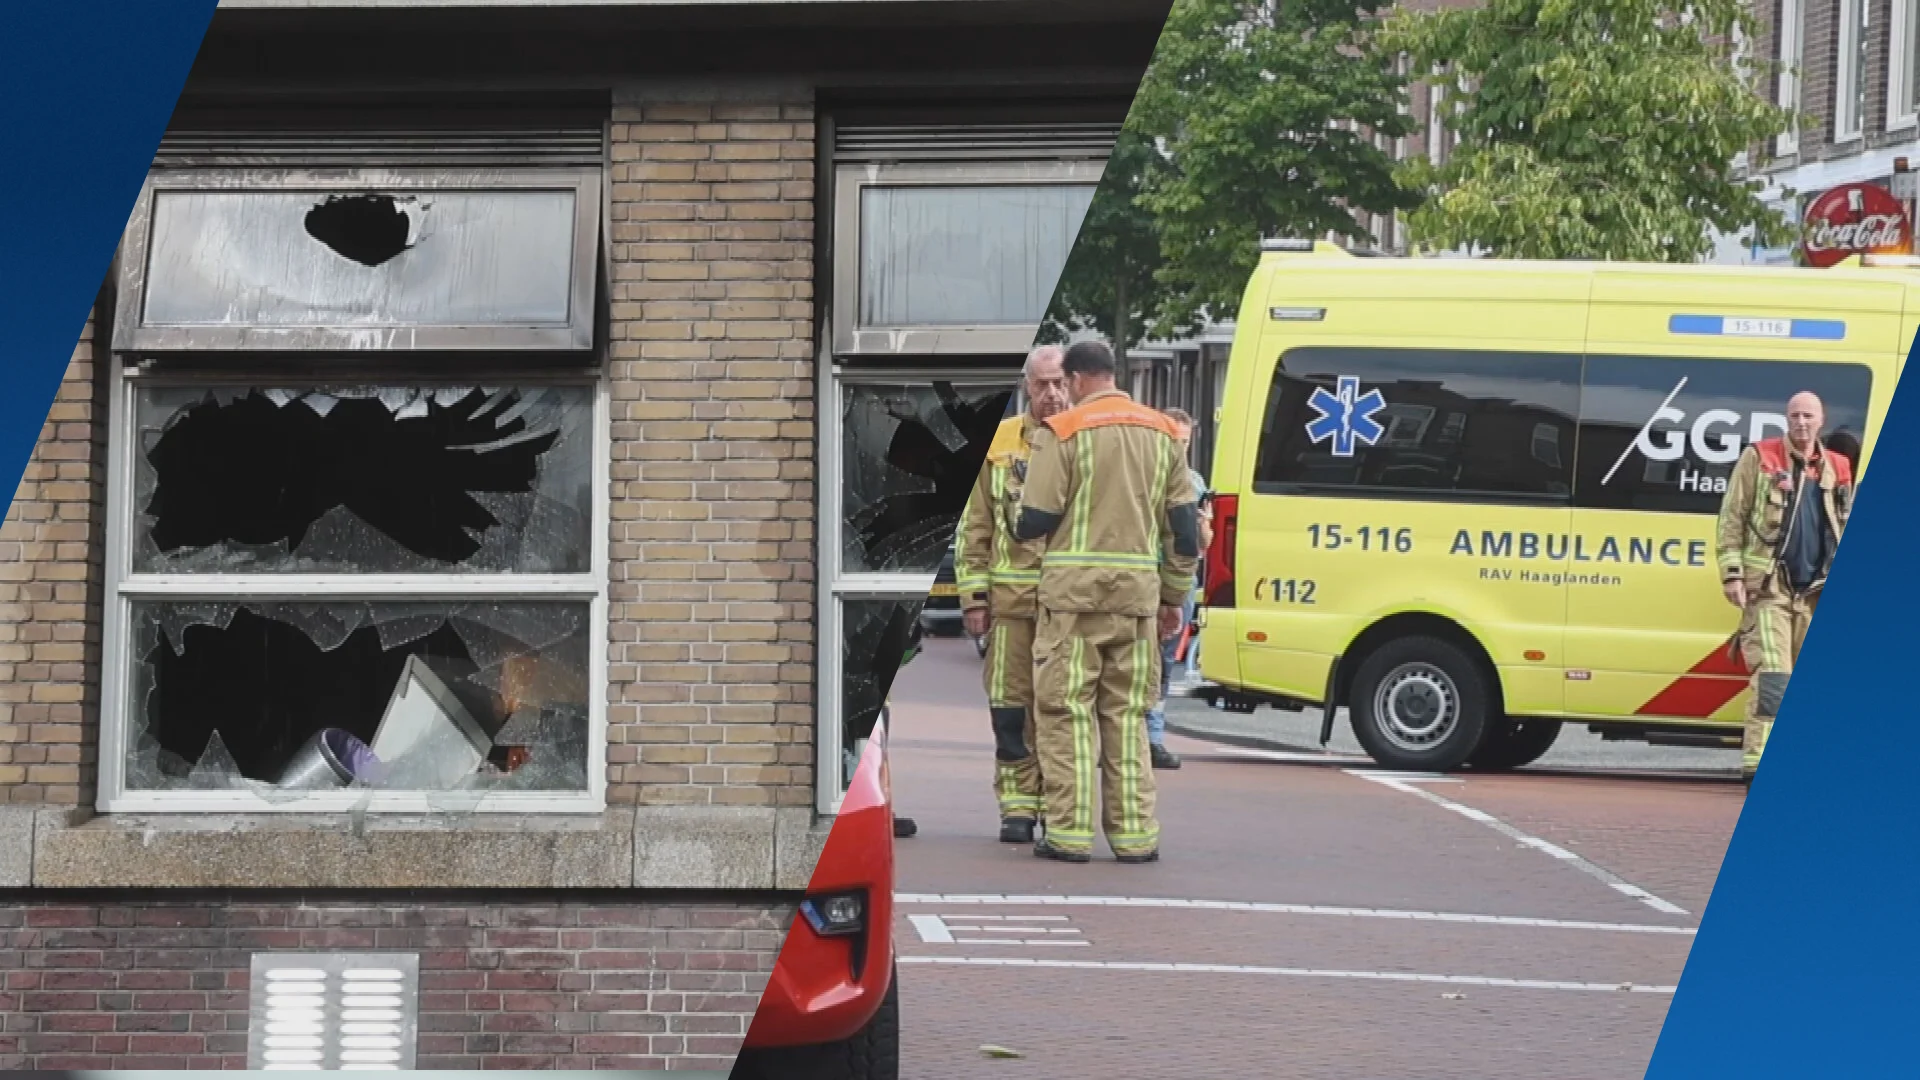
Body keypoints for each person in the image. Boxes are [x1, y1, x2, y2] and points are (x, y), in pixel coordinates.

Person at [1014, 340, 1200, 863]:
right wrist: (1173, 597)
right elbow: (1184, 533)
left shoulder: (1064, 432)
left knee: (1065, 712)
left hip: (1072, 604)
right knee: (1126, 715)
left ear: (1074, 380)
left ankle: (1069, 834)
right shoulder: (1164, 432)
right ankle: (1135, 835)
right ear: (1113, 374)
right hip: (1137, 603)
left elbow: (1036, 519)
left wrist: (1016, 505)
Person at [954, 345, 1071, 844]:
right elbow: (974, 524)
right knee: (1009, 709)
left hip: (1068, 607)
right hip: (1010, 606)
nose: (1051, 393)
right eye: (1041, 383)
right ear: (1027, 386)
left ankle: (1057, 802)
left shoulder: (1085, 442)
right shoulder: (998, 445)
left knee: (1060, 709)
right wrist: (973, 598)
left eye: (1060, 383)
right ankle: (1017, 805)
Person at [1714, 391, 1853, 782]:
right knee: (1774, 676)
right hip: (1771, 590)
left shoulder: (1838, 467)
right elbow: (1732, 517)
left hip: (1815, 591)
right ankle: (1758, 767)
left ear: (1821, 420)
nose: (1801, 422)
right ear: (1786, 419)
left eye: (1808, 416)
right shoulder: (1760, 458)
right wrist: (1732, 574)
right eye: (1795, 415)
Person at [1142, 408, 1213, 770]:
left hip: (1180, 582)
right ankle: (1121, 738)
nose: (1179, 449)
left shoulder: (1196, 483)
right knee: (1132, 660)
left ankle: (1153, 738)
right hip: (1143, 578)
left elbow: (1203, 544)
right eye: (1174, 441)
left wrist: (1201, 523)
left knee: (1165, 662)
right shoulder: (1142, 477)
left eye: (1184, 443)